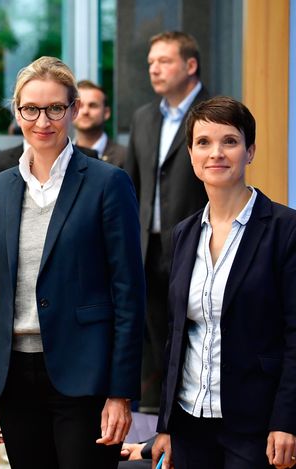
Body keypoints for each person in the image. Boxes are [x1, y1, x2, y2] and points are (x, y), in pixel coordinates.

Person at [0, 56, 145, 469]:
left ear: (73, 109)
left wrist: (120, 393)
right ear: (17, 112)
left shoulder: (108, 182)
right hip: (15, 375)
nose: (43, 120)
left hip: (85, 376)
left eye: (55, 108)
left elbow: (128, 294)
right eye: (31, 109)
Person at [150, 96, 296, 469]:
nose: (216, 153)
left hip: (255, 425)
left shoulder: (285, 229)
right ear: (191, 153)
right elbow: (176, 334)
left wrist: (285, 421)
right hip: (189, 421)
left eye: (229, 141)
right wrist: (166, 424)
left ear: (250, 151)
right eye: (204, 142)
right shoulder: (183, 233)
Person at [124, 31, 209, 410]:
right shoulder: (144, 117)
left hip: (197, 242)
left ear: (190, 65)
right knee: (155, 334)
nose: (155, 69)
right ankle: (159, 416)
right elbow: (134, 183)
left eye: (165, 61)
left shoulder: (214, 111)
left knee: (193, 330)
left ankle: (194, 407)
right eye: (151, 63)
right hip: (148, 245)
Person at [74, 79, 126, 167]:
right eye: (80, 106)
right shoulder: (61, 156)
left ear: (106, 113)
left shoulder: (124, 157)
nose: (85, 111)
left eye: (92, 105)